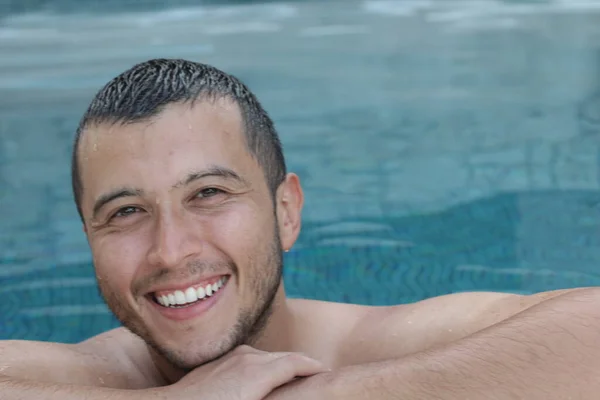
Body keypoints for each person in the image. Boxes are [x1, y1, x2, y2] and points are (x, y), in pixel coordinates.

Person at [1, 58, 598, 399]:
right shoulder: (98, 379)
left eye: (208, 194)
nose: (170, 249)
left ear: (286, 211)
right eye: (126, 212)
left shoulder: (379, 347)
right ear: (89, 240)